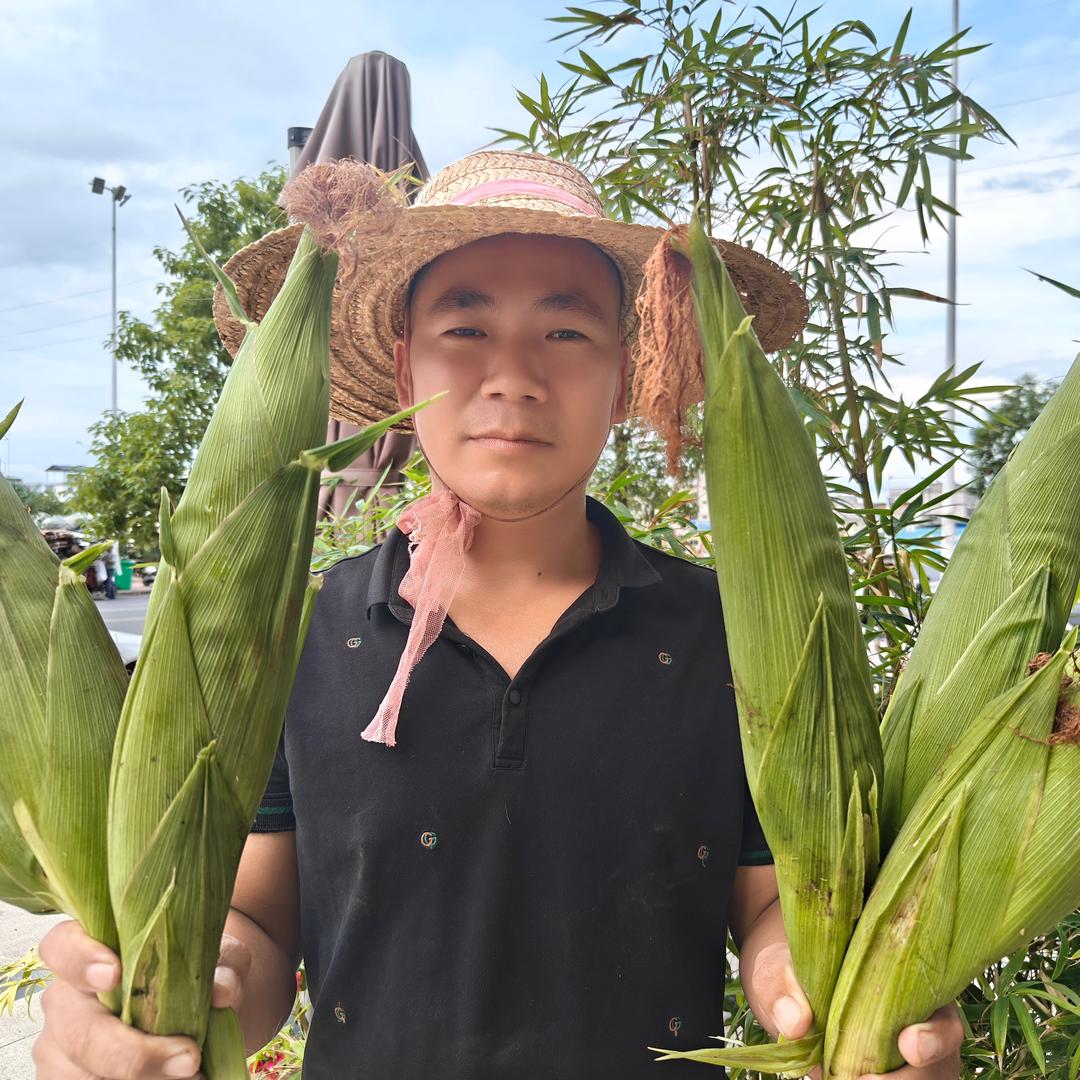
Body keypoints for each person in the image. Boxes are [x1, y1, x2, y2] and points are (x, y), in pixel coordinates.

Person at [33, 151, 964, 1079]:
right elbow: (258, 932)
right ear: (404, 368)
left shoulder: (726, 634)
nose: (512, 376)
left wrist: (829, 986)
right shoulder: (294, 638)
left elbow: (772, 905)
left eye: (566, 334)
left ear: (624, 373)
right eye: (465, 327)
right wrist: (179, 984)